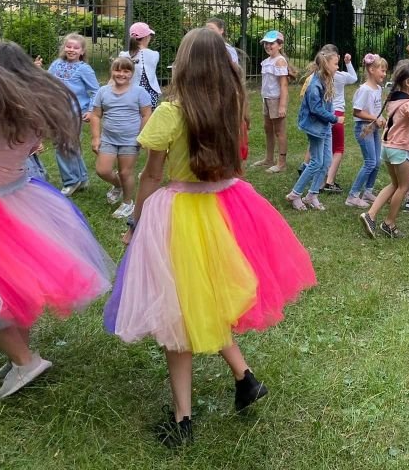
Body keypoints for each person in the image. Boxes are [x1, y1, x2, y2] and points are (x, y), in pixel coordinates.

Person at [103, 28, 316, 447]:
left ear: (182, 64)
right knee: (205, 300)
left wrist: (135, 222)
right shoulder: (232, 106)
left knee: (176, 312)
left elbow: (151, 176)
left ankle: (183, 419)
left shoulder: (170, 113)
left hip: (182, 215)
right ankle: (244, 379)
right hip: (227, 208)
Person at [0, 41, 113, 400]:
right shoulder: (31, 117)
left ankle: (24, 361)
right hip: (19, 204)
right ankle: (18, 354)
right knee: (12, 286)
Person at [360, 60, 409, 240]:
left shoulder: (394, 99)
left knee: (394, 184)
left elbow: (404, 122)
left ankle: (370, 215)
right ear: (408, 82)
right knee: (404, 186)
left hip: (387, 148)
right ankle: (389, 223)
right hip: (400, 150)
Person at [90, 56, 153, 219]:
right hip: (108, 139)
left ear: (132, 73)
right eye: (117, 70)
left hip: (130, 140)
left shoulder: (139, 92)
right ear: (112, 71)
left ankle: (127, 202)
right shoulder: (103, 91)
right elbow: (95, 115)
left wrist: (142, 135)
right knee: (102, 170)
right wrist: (96, 138)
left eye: (126, 71)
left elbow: (146, 114)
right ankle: (118, 185)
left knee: (126, 173)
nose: (121, 74)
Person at [47, 33, 99, 196]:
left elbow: (95, 91)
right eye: (68, 46)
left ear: (82, 51)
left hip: (74, 113)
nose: (71, 50)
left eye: (76, 48)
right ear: (64, 48)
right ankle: (81, 178)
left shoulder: (84, 69)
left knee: (64, 146)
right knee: (69, 145)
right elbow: (46, 83)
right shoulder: (56, 64)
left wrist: (91, 110)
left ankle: (71, 181)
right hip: (56, 111)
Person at [287, 49, 339, 211]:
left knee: (326, 162)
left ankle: (312, 195)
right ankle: (295, 194)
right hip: (315, 128)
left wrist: (330, 119)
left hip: (325, 127)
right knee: (316, 162)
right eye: (336, 64)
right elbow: (316, 109)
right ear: (326, 65)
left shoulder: (327, 79)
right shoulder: (315, 84)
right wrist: (334, 118)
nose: (338, 67)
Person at [346, 54, 387, 208]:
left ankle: (368, 191)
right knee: (370, 162)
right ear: (371, 70)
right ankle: (352, 196)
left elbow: (376, 109)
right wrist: (375, 118)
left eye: (385, 71)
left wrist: (380, 118)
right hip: (364, 128)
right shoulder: (365, 90)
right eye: (382, 70)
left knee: (377, 162)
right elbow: (357, 112)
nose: (384, 74)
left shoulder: (378, 88)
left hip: (373, 127)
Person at [254, 30, 289, 173]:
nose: (268, 46)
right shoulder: (267, 61)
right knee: (268, 128)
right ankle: (269, 158)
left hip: (276, 100)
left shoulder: (280, 61)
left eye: (271, 43)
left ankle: (281, 162)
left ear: (280, 45)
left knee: (279, 131)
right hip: (267, 99)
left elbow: (283, 85)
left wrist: (282, 106)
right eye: (266, 43)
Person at [321, 52, 357, 194]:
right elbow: (354, 78)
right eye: (336, 64)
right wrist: (348, 63)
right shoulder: (340, 76)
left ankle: (322, 180)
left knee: (326, 147)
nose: (337, 66)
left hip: (325, 114)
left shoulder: (319, 78)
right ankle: (329, 181)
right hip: (337, 114)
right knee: (338, 149)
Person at [120, 22, 161, 110]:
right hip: (150, 95)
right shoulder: (154, 55)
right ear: (146, 37)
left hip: (129, 94)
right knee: (149, 117)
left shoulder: (123, 55)